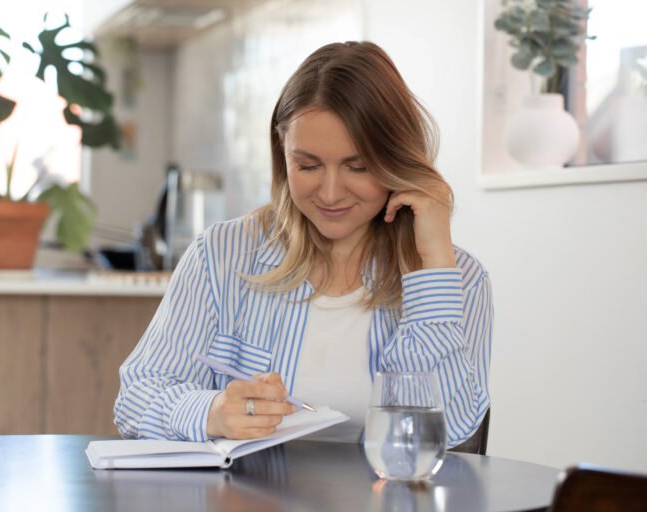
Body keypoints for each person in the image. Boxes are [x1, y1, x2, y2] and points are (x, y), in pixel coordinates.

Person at [114, 41, 492, 447]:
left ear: (397, 160)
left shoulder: (459, 279)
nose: (330, 193)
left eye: (358, 166)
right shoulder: (221, 255)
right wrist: (211, 412)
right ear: (282, 154)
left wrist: (433, 264)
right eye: (308, 165)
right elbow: (134, 402)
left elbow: (450, 434)